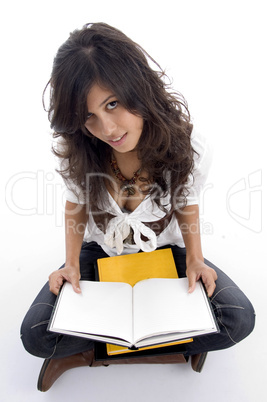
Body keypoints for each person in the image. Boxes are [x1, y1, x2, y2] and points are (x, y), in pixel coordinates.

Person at [20, 23, 255, 392]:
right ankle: (174, 341)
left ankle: (94, 349)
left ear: (138, 86)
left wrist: (195, 260)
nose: (107, 127)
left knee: (238, 320)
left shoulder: (189, 145)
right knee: (35, 337)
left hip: (165, 253)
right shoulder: (79, 149)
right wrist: (69, 263)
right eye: (89, 116)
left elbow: (185, 200)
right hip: (101, 253)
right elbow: (75, 205)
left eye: (112, 103)